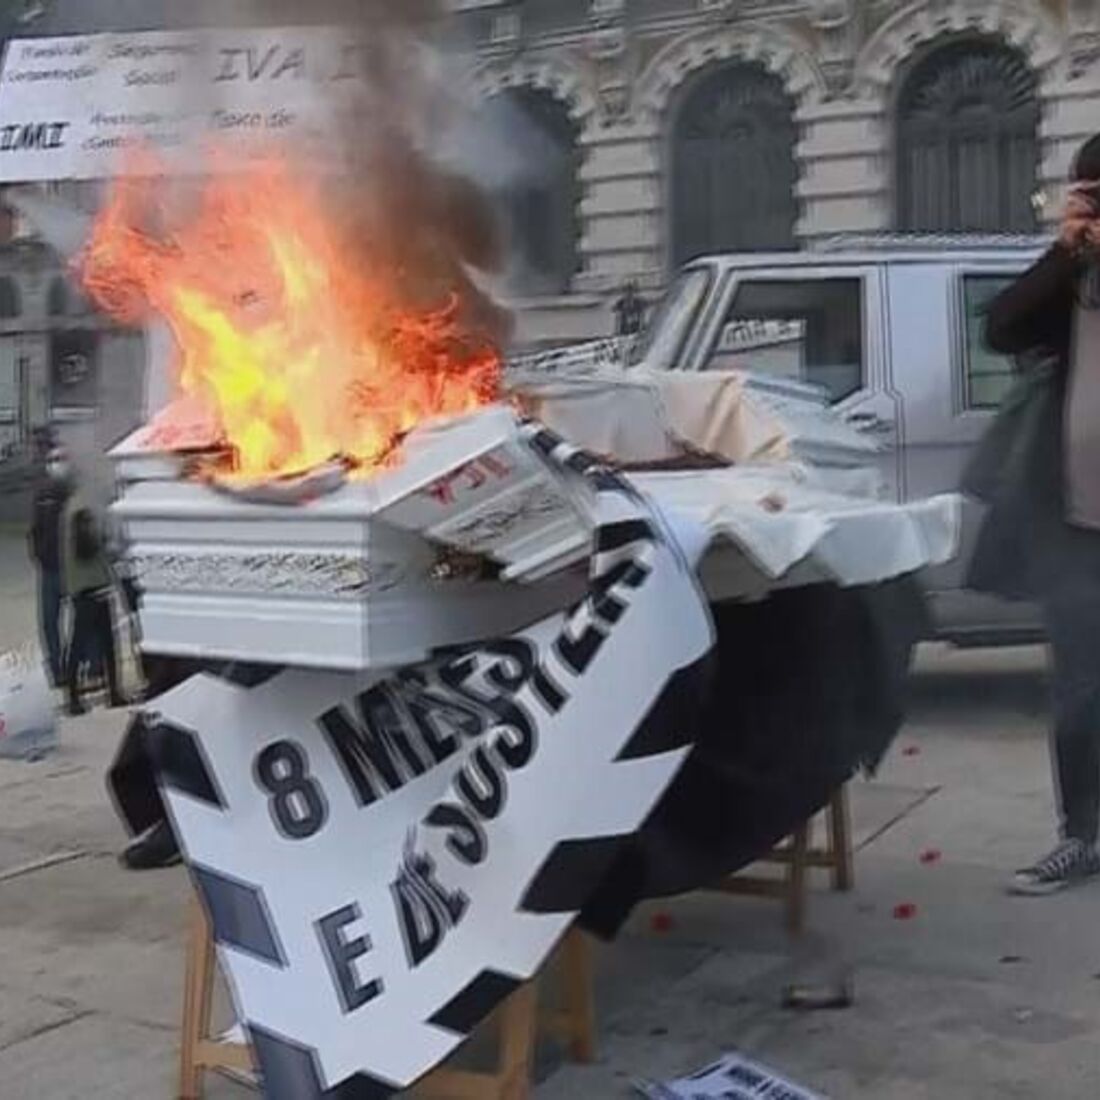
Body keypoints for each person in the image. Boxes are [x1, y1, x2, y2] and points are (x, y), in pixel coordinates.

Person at [983, 132, 1100, 895]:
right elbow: (1000, 330)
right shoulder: (1075, 274)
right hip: (1078, 518)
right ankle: (1083, 835)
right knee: (1080, 690)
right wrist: (1066, 253)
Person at [61, 466, 125, 717]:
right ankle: (102, 694)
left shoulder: (73, 506)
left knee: (92, 641)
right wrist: (105, 538)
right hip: (91, 584)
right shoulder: (83, 509)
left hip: (85, 585)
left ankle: (81, 696)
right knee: (92, 642)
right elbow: (86, 546)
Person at [28, 446, 71, 686]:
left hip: (69, 566)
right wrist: (38, 555)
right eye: (53, 460)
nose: (57, 464)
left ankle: (81, 665)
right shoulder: (41, 493)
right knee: (49, 622)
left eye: (61, 459)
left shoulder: (71, 491)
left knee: (82, 620)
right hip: (49, 567)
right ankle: (58, 670)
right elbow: (35, 529)